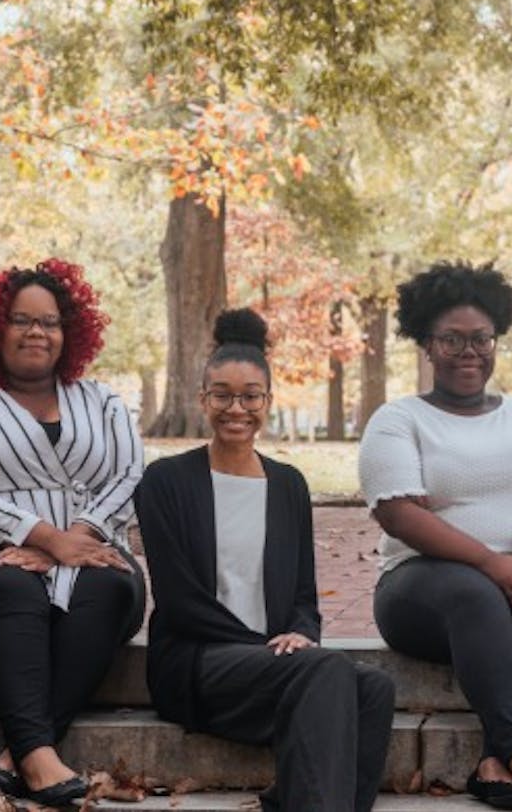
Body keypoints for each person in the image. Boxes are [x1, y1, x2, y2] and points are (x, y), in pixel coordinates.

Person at [135, 308, 395, 812]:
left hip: (276, 664)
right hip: (198, 663)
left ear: (268, 402)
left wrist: (300, 633)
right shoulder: (166, 481)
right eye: (223, 395)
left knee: (375, 689)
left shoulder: (289, 484)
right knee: (323, 671)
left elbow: (303, 591)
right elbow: (179, 601)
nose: (237, 408)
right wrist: (276, 649)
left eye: (251, 395)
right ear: (202, 400)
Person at [358, 261, 512, 812]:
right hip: (418, 589)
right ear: (427, 345)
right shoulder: (398, 420)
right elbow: (399, 514)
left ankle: (497, 761)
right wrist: (490, 562)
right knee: (474, 593)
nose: (469, 351)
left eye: (481, 338)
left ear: (496, 340)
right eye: (452, 339)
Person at [0, 258, 146, 806]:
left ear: (69, 332)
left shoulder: (102, 400)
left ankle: (18, 753)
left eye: (49, 322)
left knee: (115, 587)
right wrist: (46, 539)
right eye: (21, 320)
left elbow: (130, 474)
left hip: (90, 547)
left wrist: (72, 541)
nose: (36, 332)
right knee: (13, 588)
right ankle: (40, 756)